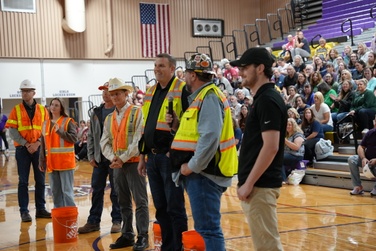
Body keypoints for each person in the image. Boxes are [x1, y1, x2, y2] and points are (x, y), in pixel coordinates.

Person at [169, 53, 238, 250]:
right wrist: (175, 126)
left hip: (204, 175)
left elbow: (209, 138)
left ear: (192, 75)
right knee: (205, 229)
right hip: (203, 174)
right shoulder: (203, 96)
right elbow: (197, 135)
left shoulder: (208, 97)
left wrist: (191, 167)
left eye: (186, 73)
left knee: (208, 230)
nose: (184, 78)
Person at [233, 47, 286, 251]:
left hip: (260, 186)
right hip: (257, 185)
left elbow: (271, 147)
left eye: (245, 67)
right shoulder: (263, 98)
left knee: (268, 246)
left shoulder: (268, 100)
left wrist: (249, 184)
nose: (241, 72)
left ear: (261, 68)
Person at [137, 53, 188, 251]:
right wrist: (142, 156)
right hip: (152, 157)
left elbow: (188, 123)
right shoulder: (150, 91)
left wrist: (174, 152)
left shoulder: (182, 89)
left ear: (172, 68)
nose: (157, 69)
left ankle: (179, 247)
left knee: (175, 207)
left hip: (169, 157)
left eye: (161, 66)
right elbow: (145, 128)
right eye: (155, 65)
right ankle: (168, 247)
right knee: (160, 207)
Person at [101, 78, 149, 250]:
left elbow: (139, 139)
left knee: (140, 200)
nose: (114, 97)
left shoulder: (137, 112)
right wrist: (113, 158)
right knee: (123, 201)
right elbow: (104, 142)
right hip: (117, 165)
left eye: (117, 93)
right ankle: (127, 234)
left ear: (126, 93)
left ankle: (143, 235)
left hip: (135, 163)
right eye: (112, 94)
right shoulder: (109, 118)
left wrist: (123, 157)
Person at [78, 82, 122, 234]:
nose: (105, 93)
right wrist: (90, 155)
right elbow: (90, 136)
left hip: (114, 158)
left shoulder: (119, 112)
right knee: (97, 190)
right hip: (99, 158)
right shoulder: (96, 112)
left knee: (116, 191)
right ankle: (93, 221)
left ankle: (117, 220)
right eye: (103, 91)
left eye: (108, 91)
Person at [5, 79, 51, 222]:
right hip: (22, 150)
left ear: (33, 93)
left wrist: (37, 143)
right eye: (23, 91)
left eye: (27, 91)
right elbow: (12, 131)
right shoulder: (16, 109)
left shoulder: (43, 110)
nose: (24, 93)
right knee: (23, 181)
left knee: (41, 180)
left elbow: (47, 129)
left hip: (38, 149)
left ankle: (41, 209)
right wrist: (26, 144)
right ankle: (24, 211)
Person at [39, 98, 77, 208]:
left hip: (65, 163)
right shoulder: (45, 124)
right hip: (52, 163)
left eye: (56, 105)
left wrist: (60, 131)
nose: (53, 107)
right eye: (52, 105)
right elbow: (43, 144)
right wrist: (41, 160)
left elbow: (74, 139)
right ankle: (60, 219)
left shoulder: (68, 121)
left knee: (67, 193)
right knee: (56, 193)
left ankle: (70, 219)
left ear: (61, 108)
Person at [348, 120, 376, 195]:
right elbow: (361, 146)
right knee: (352, 159)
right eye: (375, 121)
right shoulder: (370, 133)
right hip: (368, 160)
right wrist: (363, 158)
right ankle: (358, 187)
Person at [282, 118, 305, 182]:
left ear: (294, 126)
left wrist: (285, 140)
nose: (287, 126)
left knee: (279, 159)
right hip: (287, 154)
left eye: (289, 125)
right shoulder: (286, 135)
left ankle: (282, 180)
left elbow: (296, 147)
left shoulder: (298, 134)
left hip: (296, 155)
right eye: (286, 125)